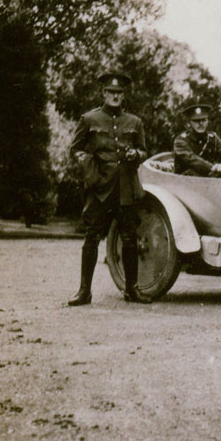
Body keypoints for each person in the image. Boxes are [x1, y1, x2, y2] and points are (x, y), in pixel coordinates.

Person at [67, 71, 151, 306]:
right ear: (103, 93)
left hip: (126, 188)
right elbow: (75, 149)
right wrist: (87, 165)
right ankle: (84, 291)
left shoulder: (134, 122)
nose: (115, 96)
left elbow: (144, 151)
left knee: (130, 238)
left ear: (124, 96)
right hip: (100, 188)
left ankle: (131, 289)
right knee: (91, 236)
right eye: (111, 92)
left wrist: (136, 154)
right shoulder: (89, 119)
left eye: (119, 93)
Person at [173, 103, 221, 176]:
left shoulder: (213, 138)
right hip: (184, 181)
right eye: (196, 121)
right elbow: (193, 160)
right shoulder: (181, 141)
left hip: (209, 179)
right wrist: (214, 168)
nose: (201, 123)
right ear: (189, 123)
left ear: (207, 121)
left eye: (204, 120)